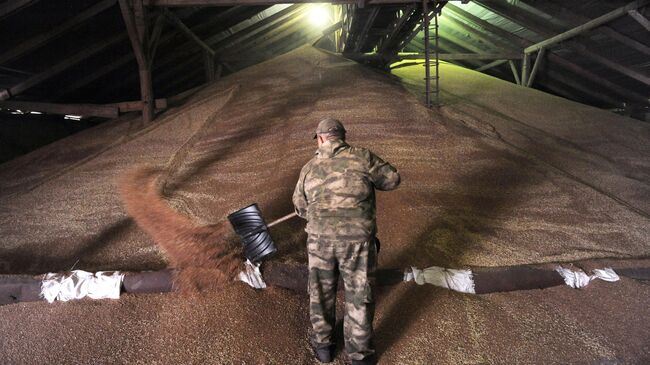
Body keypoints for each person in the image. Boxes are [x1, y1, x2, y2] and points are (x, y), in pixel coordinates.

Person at [292, 118, 400, 365]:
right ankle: (359, 356)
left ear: (320, 138)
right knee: (359, 295)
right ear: (342, 136)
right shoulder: (362, 157)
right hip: (357, 243)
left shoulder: (309, 167)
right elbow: (392, 180)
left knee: (320, 293)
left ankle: (324, 347)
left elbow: (299, 207)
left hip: (320, 243)